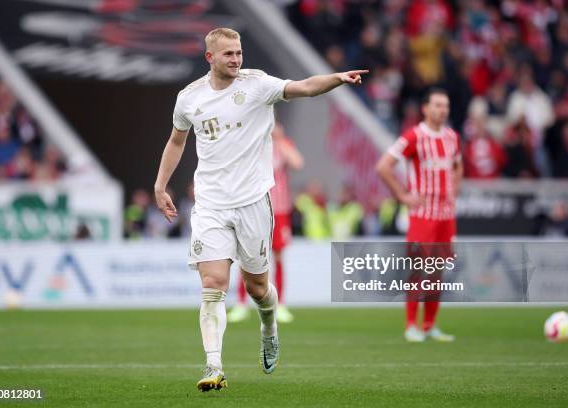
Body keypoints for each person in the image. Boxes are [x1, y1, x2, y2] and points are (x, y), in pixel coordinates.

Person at [153, 27, 367, 391]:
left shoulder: (257, 85)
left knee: (257, 288)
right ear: (210, 58)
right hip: (210, 204)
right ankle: (213, 367)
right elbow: (176, 140)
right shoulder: (189, 98)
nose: (236, 59)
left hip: (253, 202)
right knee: (213, 283)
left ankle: (269, 327)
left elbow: (303, 87)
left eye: (238, 53)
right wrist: (160, 185)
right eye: (228, 54)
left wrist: (336, 79)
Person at [376, 87, 462, 343]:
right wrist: (403, 196)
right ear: (425, 108)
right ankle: (411, 324)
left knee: (438, 271)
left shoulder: (451, 137)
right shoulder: (413, 136)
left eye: (445, 105)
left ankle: (430, 325)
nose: (442, 110)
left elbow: (458, 165)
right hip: (423, 214)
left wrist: (454, 190)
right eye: (437, 105)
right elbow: (383, 167)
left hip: (446, 215)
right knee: (418, 269)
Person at [228, 121, 304, 324]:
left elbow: (297, 162)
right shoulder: (252, 141)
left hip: (279, 211)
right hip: (254, 209)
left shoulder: (280, 143)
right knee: (246, 256)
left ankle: (280, 304)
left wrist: (279, 138)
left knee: (278, 257)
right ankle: (241, 304)